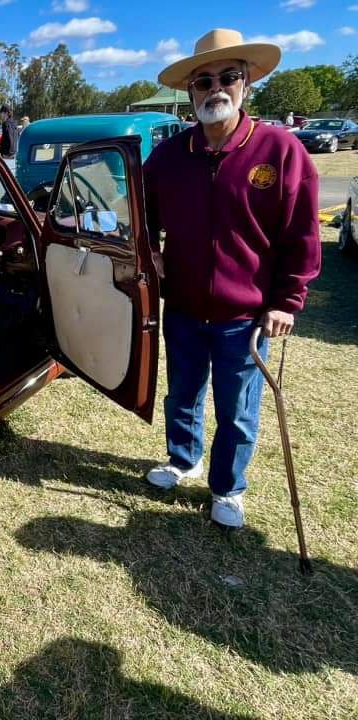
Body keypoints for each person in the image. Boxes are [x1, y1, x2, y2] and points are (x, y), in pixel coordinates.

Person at [142, 28, 321, 528]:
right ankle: (184, 460)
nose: (215, 89)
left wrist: (287, 300)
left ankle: (227, 487)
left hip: (245, 314)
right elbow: (141, 210)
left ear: (246, 83)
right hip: (182, 306)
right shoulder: (169, 156)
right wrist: (149, 251)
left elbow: (303, 234)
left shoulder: (281, 150)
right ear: (190, 91)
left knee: (238, 409)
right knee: (182, 394)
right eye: (204, 81)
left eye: (228, 77)